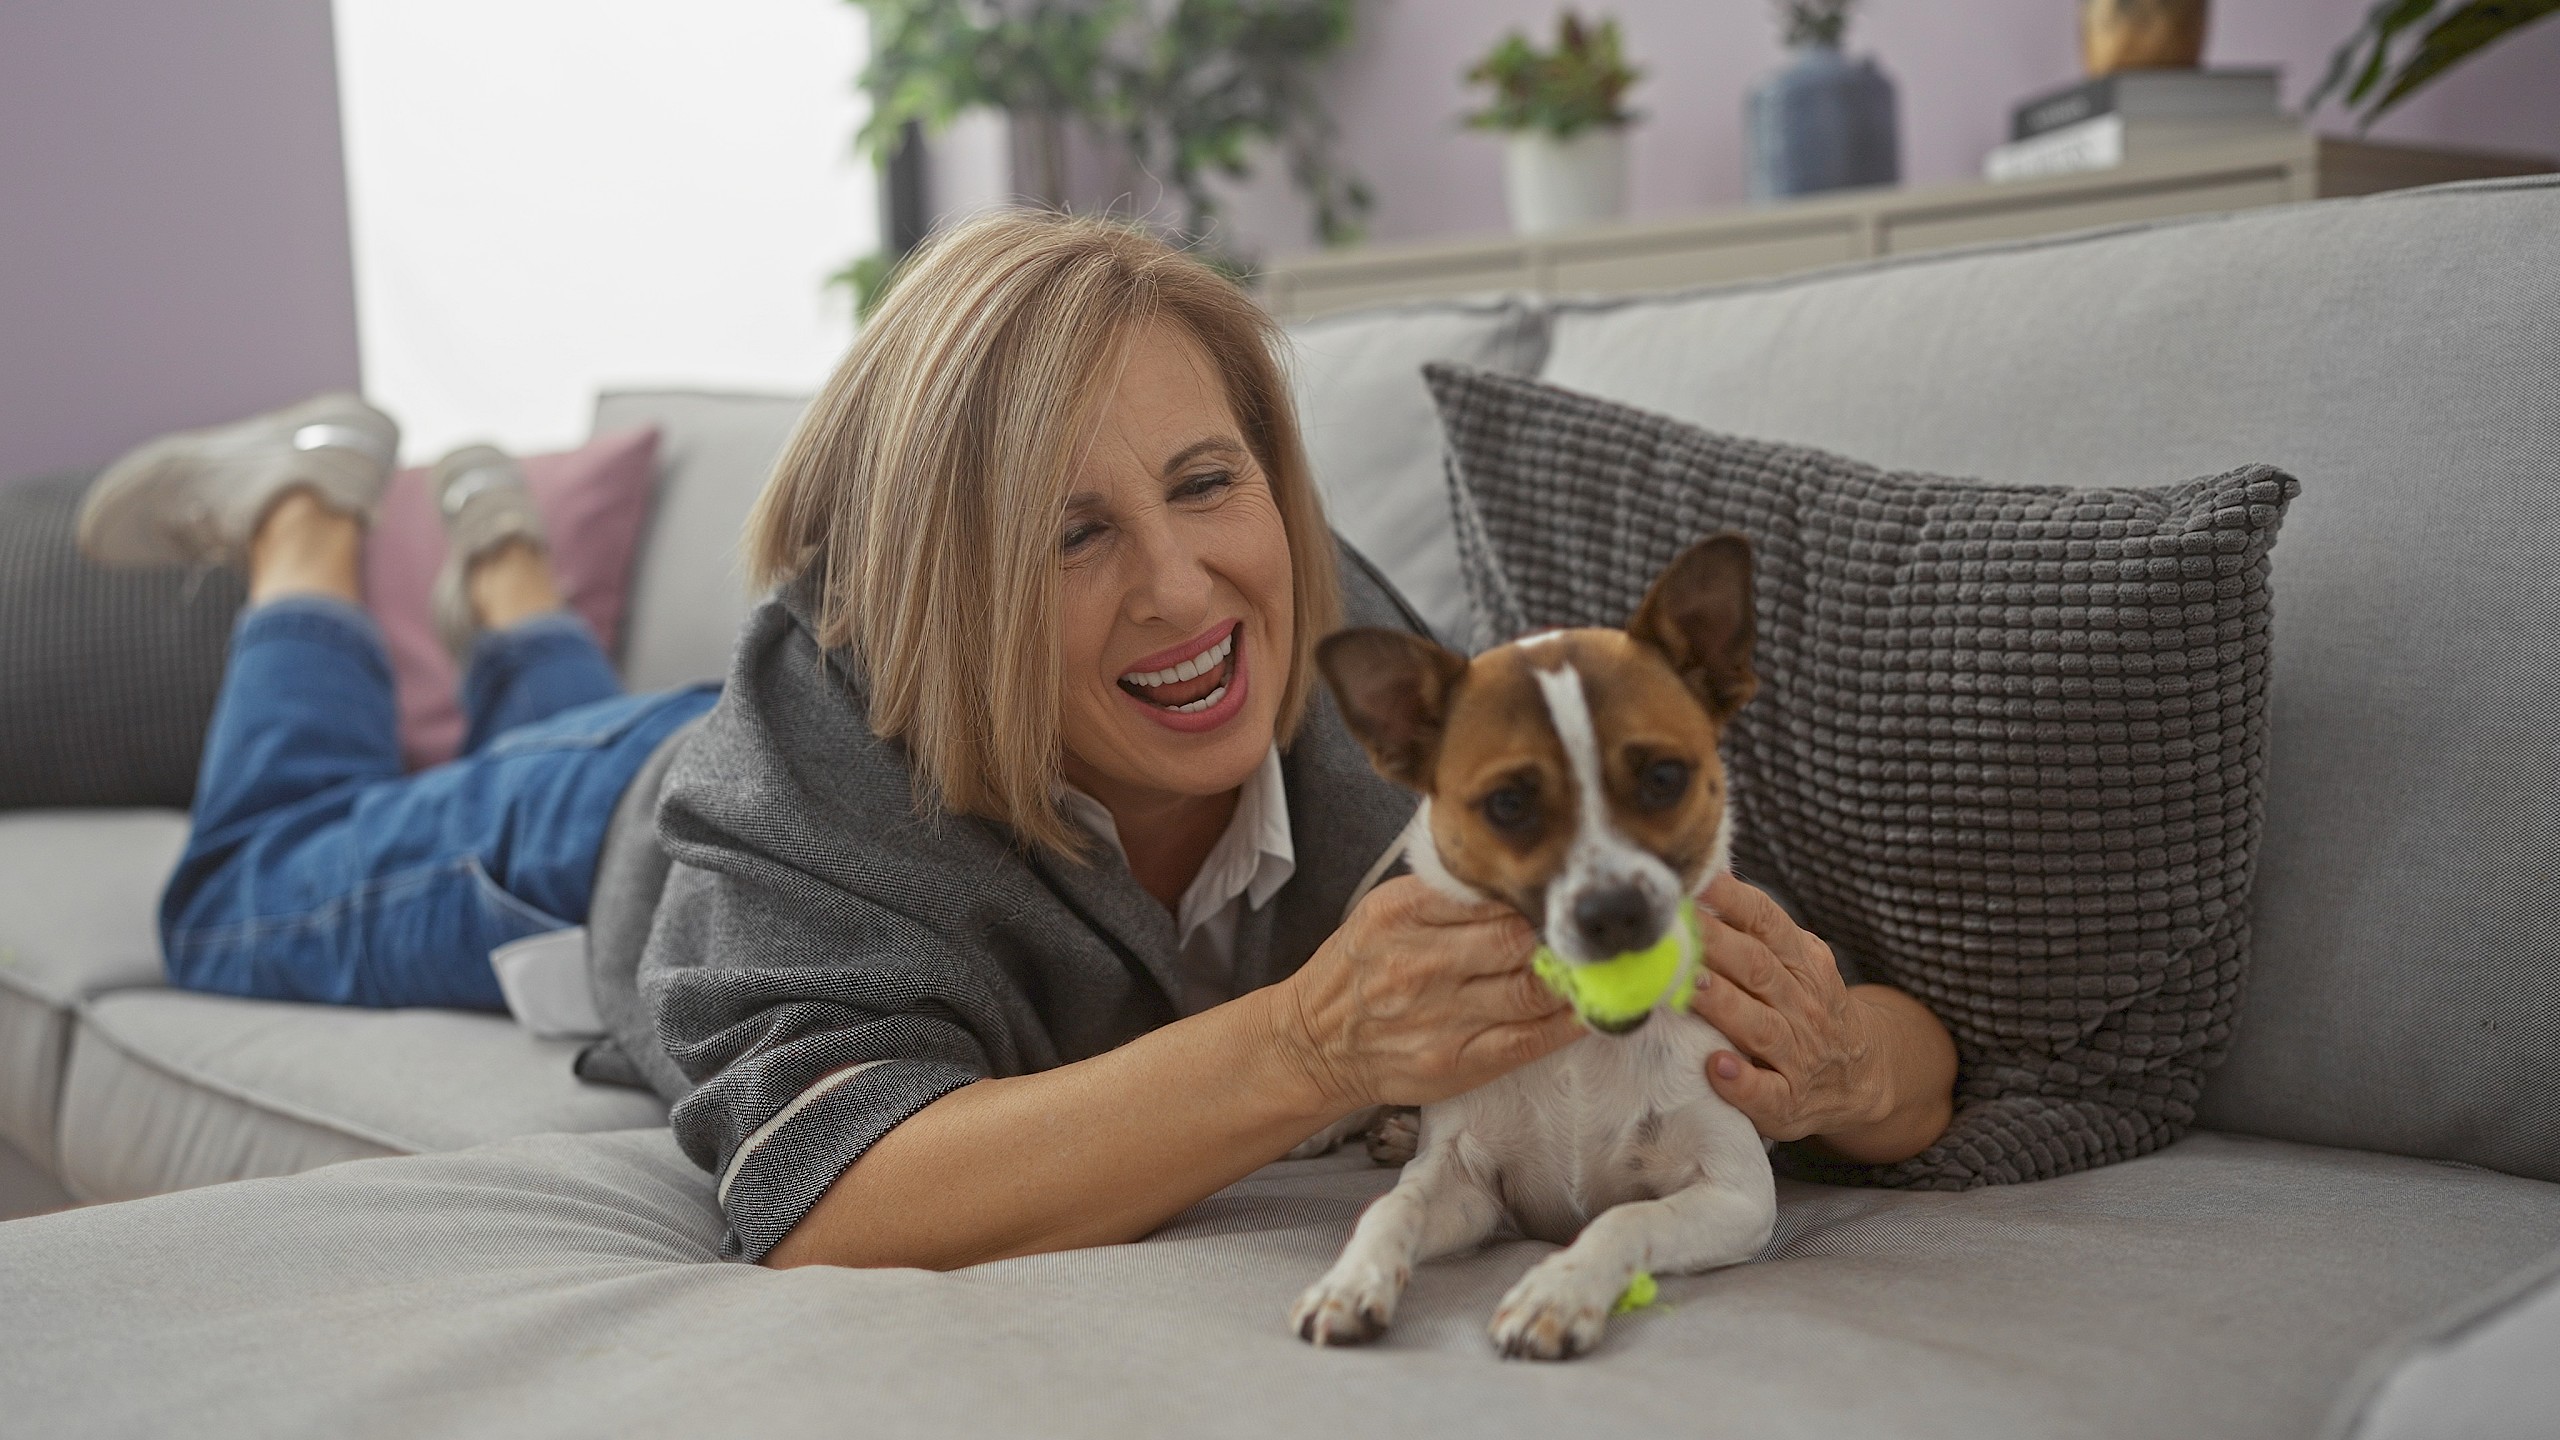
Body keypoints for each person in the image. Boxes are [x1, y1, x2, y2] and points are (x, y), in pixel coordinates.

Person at [635, 210, 1959, 1271]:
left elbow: (1906, 1050)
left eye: (1207, 482)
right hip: (608, 807)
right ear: (939, 592)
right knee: (516, 782)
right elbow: (826, 1196)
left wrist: (1839, 1066)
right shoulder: (804, 749)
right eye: (1071, 534)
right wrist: (1309, 1048)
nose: (1183, 590)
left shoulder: (1421, 717)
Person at [78, 399, 717, 1009]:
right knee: (227, 901)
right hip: (692, 836)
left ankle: (509, 568)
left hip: (702, 758)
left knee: (625, 765)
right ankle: (304, 518)